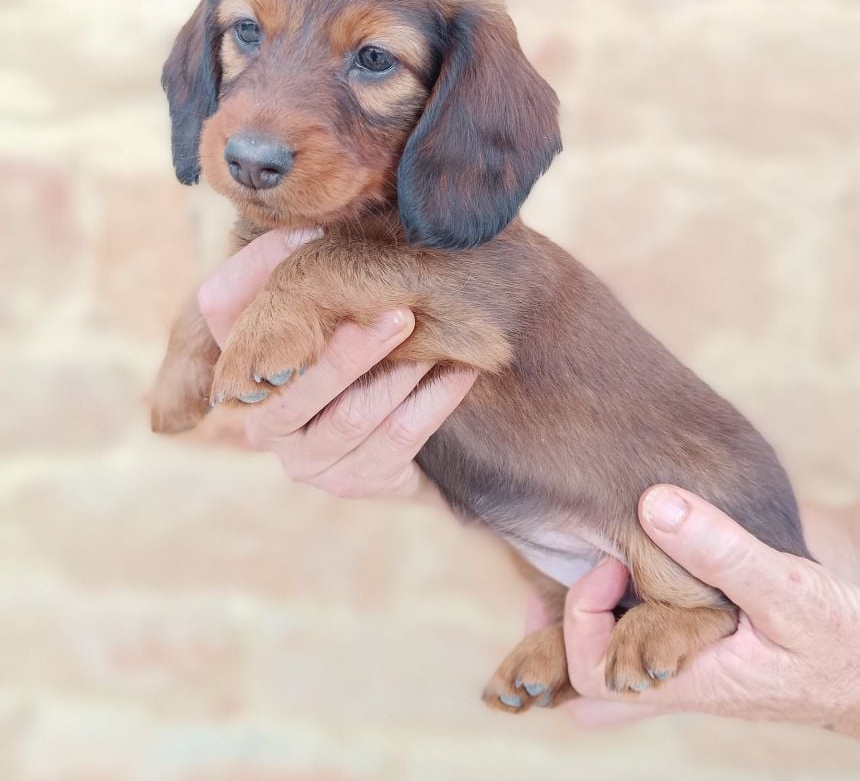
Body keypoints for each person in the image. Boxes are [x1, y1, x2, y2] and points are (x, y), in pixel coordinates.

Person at [197, 230, 860, 738]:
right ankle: (621, 611)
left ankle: (692, 610)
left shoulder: (462, 235)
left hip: (674, 502)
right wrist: (416, 464)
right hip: (598, 512)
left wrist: (847, 678)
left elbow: (467, 324)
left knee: (664, 520)